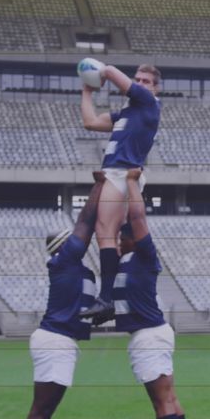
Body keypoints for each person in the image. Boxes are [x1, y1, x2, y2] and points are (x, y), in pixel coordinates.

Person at [17, 171, 106, 419]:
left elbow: (85, 311)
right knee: (41, 408)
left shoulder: (80, 273)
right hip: (55, 340)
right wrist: (101, 185)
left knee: (48, 407)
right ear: (65, 247)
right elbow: (86, 221)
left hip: (62, 340)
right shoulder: (65, 261)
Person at [114, 167, 193, 419]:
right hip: (151, 334)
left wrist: (133, 184)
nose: (119, 244)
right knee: (170, 398)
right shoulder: (126, 261)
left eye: (123, 240)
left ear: (134, 241)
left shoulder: (145, 256)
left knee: (161, 401)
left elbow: (138, 219)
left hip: (149, 337)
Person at [78, 61, 162, 324]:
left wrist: (101, 72)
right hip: (119, 174)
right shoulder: (124, 115)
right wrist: (87, 91)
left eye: (145, 81)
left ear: (155, 89)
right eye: (137, 79)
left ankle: (106, 299)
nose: (139, 84)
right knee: (119, 238)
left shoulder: (148, 104)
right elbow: (90, 122)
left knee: (105, 231)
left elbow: (113, 71)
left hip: (122, 172)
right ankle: (110, 298)